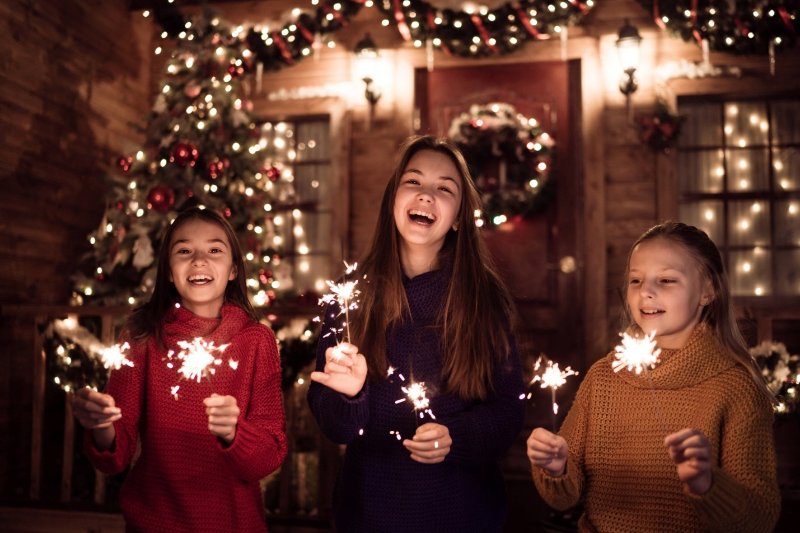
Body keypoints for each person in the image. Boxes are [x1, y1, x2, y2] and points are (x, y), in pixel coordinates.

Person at [307, 135, 526, 532]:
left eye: (444, 188)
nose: (426, 195)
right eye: (414, 181)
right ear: (393, 199)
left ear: (459, 217)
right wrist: (349, 395)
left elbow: (508, 411)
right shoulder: (350, 297)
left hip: (462, 513)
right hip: (368, 512)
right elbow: (335, 426)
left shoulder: (484, 300)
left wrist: (455, 438)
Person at [527, 221, 781, 532]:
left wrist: (708, 484)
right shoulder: (605, 378)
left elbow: (760, 518)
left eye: (666, 279)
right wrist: (556, 469)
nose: (646, 291)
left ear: (707, 291)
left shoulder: (736, 388)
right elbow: (564, 497)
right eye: (635, 280)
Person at [72, 206, 287, 532]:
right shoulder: (142, 334)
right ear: (169, 272)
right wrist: (103, 426)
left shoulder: (257, 342)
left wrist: (234, 432)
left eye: (215, 249)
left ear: (233, 270)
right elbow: (115, 453)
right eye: (184, 250)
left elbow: (269, 456)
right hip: (154, 522)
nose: (199, 260)